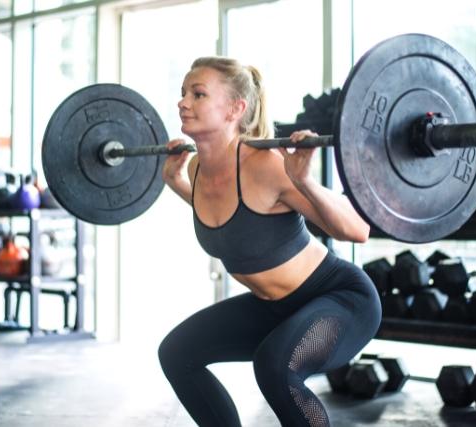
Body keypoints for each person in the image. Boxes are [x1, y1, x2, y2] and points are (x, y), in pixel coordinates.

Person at [158, 57, 382, 427]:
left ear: (236, 108)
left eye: (198, 94)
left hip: (341, 300)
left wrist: (304, 181)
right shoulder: (197, 169)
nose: (183, 102)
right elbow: (231, 223)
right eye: (183, 93)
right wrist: (177, 182)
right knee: (177, 353)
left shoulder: (266, 166)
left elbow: (357, 231)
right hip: (277, 307)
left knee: (276, 367)